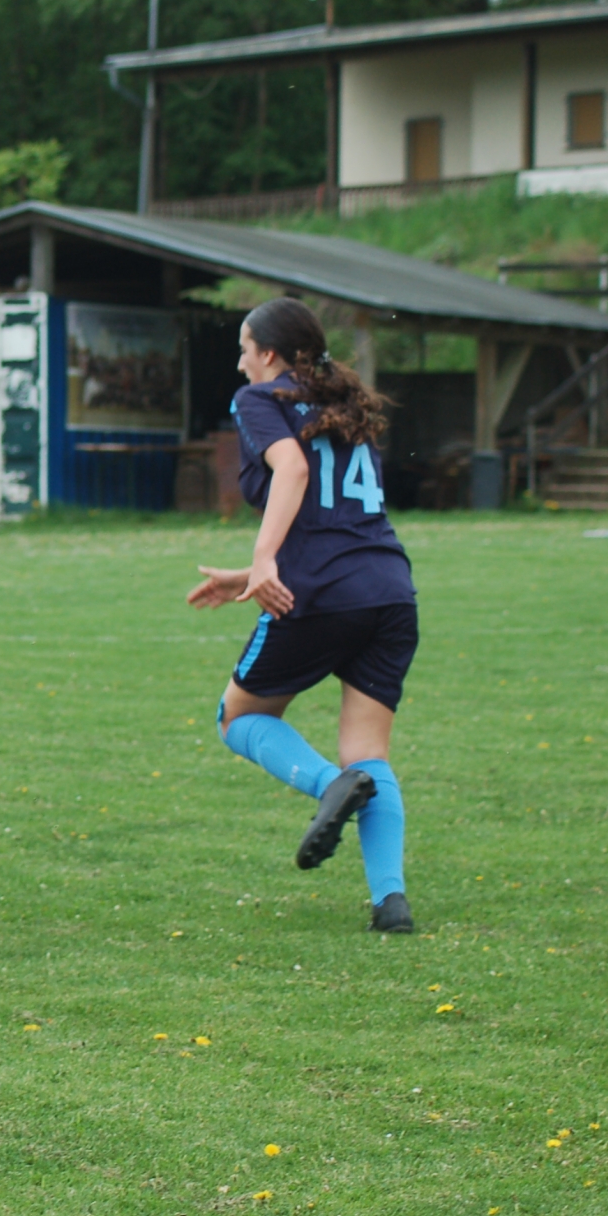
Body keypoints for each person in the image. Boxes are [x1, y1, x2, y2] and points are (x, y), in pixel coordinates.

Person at [187, 298, 418, 933]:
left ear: (269, 354)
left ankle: (328, 786)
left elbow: (291, 469)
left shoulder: (258, 399)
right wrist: (251, 571)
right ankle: (390, 904)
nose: (240, 364)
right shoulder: (345, 403)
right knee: (367, 752)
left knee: (237, 717)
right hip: (390, 590)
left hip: (318, 593)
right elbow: (334, 515)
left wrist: (265, 560)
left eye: (244, 350)